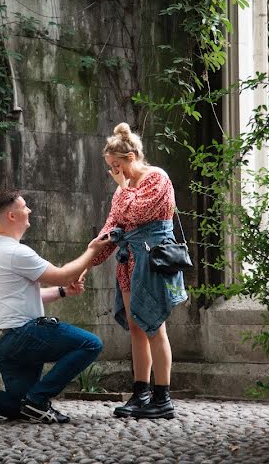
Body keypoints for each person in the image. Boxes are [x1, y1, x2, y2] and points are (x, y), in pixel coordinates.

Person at [0, 189, 109, 424]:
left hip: (1, 339)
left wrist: (63, 292)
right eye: (24, 206)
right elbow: (63, 274)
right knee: (91, 344)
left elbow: (25, 295)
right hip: (21, 334)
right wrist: (92, 250)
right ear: (12, 216)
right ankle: (38, 400)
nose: (30, 210)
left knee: (19, 405)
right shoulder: (16, 251)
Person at [91, 122, 188, 419]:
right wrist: (94, 250)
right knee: (136, 327)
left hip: (153, 260)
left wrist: (122, 187)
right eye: (111, 167)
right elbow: (115, 222)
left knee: (154, 325)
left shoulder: (157, 178)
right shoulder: (124, 187)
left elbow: (137, 213)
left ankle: (163, 398)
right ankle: (140, 392)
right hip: (129, 261)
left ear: (131, 157)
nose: (114, 172)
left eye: (117, 165)